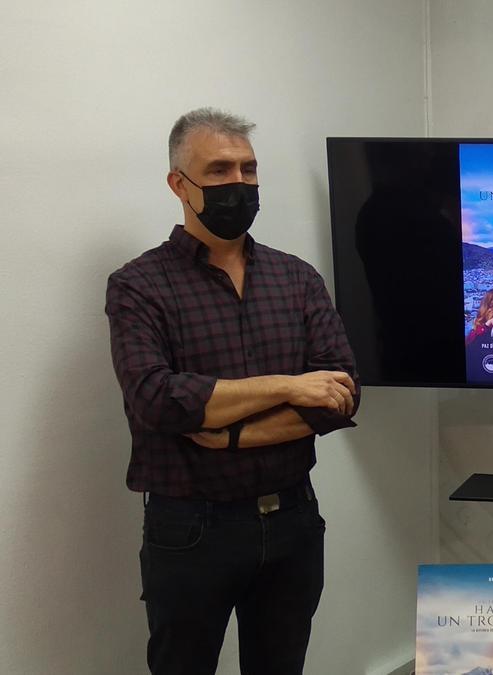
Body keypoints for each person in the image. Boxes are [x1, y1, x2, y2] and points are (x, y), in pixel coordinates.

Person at [105, 108, 360, 674]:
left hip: (293, 520)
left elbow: (341, 393)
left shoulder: (296, 278)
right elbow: (158, 400)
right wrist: (291, 386)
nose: (238, 184)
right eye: (219, 170)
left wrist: (228, 435)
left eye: (248, 169)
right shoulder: (138, 286)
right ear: (179, 184)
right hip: (191, 530)